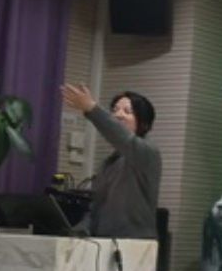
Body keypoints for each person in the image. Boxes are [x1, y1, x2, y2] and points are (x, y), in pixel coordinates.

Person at [61, 83, 161, 239]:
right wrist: (78, 231)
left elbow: (123, 138)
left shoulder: (148, 152)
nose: (118, 115)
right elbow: (96, 209)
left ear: (143, 124)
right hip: (104, 243)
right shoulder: (109, 162)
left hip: (136, 244)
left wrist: (91, 108)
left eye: (127, 111)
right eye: (115, 110)